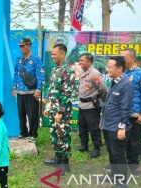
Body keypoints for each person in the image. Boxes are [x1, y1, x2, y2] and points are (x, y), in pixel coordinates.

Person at [43, 43, 75, 175]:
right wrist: (48, 106)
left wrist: (60, 111)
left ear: (62, 54)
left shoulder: (68, 70)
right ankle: (58, 158)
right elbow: (52, 90)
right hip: (52, 109)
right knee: (54, 135)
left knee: (63, 136)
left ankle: (65, 164)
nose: (53, 56)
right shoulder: (55, 69)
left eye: (55, 54)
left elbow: (68, 93)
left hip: (62, 112)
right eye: (52, 54)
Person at [101, 56, 134, 186]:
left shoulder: (126, 84)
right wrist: (102, 120)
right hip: (108, 125)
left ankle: (121, 183)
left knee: (118, 155)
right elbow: (109, 103)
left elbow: (126, 108)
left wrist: (122, 127)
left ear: (120, 68)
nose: (107, 69)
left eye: (110, 67)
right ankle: (114, 176)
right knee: (111, 153)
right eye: (107, 66)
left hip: (117, 127)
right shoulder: (114, 81)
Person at [12, 38, 44, 142]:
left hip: (31, 91)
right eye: (20, 46)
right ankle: (23, 132)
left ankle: (33, 134)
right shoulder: (19, 60)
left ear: (29, 46)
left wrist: (38, 90)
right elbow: (16, 74)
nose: (21, 48)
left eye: (23, 46)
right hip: (20, 91)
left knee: (32, 113)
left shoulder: (36, 59)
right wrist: (14, 87)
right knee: (21, 113)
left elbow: (40, 75)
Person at [75, 53, 107, 158]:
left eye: (82, 61)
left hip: (92, 106)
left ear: (89, 61)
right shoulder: (82, 72)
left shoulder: (95, 74)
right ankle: (84, 145)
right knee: (82, 126)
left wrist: (100, 101)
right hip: (82, 105)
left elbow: (103, 89)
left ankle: (96, 148)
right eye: (79, 60)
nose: (80, 62)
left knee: (94, 128)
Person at [119, 48, 141, 176]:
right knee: (119, 141)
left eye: (123, 57)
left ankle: (133, 168)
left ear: (132, 59)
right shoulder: (121, 73)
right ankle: (119, 165)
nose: (121, 60)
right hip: (121, 114)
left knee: (134, 142)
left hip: (135, 115)